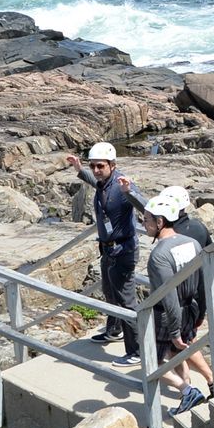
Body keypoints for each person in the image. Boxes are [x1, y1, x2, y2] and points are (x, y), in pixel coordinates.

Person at [66, 142, 145, 365]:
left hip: (124, 250)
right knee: (110, 294)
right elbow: (97, 182)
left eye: (100, 166)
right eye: (93, 166)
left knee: (126, 301)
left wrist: (131, 192)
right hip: (108, 249)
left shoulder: (122, 185)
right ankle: (114, 330)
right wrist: (80, 170)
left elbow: (146, 207)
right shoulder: (104, 182)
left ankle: (137, 351)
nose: (96, 170)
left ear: (112, 164)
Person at [139, 192, 208, 416]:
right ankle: (188, 392)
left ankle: (186, 389)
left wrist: (175, 330)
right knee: (176, 353)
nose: (144, 223)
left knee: (152, 361)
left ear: (160, 222)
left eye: (147, 219)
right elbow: (200, 280)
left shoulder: (159, 255)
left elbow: (168, 296)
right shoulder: (193, 243)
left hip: (168, 314)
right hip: (191, 306)